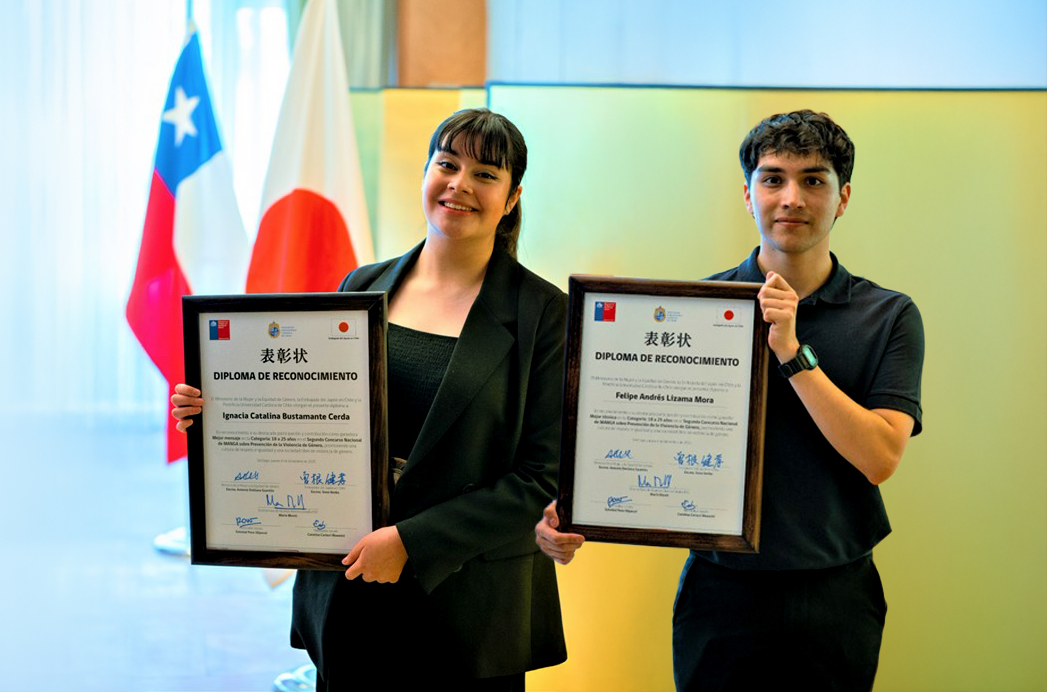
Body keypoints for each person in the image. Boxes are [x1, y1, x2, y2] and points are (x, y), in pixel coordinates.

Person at [173, 108, 568, 690]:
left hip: (471, 610)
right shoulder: (363, 287)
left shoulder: (544, 314)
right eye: (447, 164)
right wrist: (218, 413)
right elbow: (307, 414)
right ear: (427, 173)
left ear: (511, 199)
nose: (459, 184)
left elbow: (540, 475)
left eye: (486, 174)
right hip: (349, 590)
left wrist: (411, 542)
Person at [536, 110, 925, 691]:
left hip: (837, 591)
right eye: (772, 179)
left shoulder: (889, 315)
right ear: (748, 195)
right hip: (721, 592)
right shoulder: (697, 312)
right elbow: (638, 431)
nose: (791, 197)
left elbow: (880, 457)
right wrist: (573, 506)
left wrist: (791, 352)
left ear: (842, 197)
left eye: (813, 180)